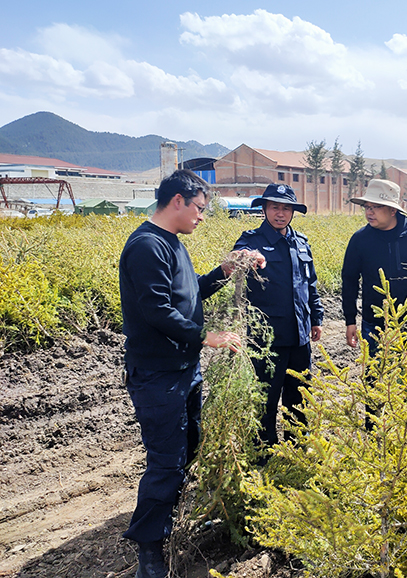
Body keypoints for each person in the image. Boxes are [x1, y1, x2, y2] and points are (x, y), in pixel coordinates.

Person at [119, 169, 264, 578]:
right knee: (166, 461)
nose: (202, 216)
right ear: (178, 201)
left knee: (188, 448)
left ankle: (168, 522)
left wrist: (223, 272)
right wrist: (207, 336)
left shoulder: (173, 244)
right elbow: (157, 311)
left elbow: (188, 293)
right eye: (200, 208)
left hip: (183, 370)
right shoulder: (147, 246)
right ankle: (149, 549)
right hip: (157, 375)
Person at [233, 183, 323, 451]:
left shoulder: (301, 242)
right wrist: (245, 257)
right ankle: (264, 452)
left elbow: (311, 284)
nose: (280, 214)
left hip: (299, 337)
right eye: (275, 207)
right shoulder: (251, 241)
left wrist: (316, 317)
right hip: (267, 340)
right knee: (266, 400)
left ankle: (297, 450)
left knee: (299, 397)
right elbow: (236, 258)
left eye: (286, 208)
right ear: (264, 209)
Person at [342, 179, 407, 352]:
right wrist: (350, 320)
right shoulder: (360, 240)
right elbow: (349, 280)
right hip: (374, 325)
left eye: (376, 207)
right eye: (367, 207)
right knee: (375, 376)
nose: (369, 212)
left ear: (393, 209)